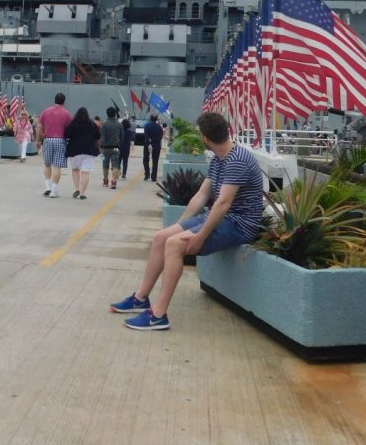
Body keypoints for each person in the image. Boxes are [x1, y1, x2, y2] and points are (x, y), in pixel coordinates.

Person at [110, 112, 265, 330]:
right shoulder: (219, 158)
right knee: (161, 237)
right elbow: (202, 196)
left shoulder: (237, 160)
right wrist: (177, 226)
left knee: (175, 245)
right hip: (222, 218)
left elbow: (223, 204)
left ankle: (158, 315)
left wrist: (199, 237)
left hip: (238, 224)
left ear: (206, 138)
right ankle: (140, 297)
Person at [36, 92, 71, 198]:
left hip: (48, 140)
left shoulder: (45, 111)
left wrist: (38, 140)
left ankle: (47, 187)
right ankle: (54, 190)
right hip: (60, 140)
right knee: (57, 166)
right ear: (64, 102)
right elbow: (70, 130)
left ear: (54, 100)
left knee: (47, 164)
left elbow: (39, 127)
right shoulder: (67, 114)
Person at [64, 107, 100, 200]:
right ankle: (82, 193)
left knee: (75, 170)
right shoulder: (92, 123)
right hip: (89, 150)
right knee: (85, 172)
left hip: (75, 150)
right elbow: (98, 135)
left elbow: (66, 134)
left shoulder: (73, 123)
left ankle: (77, 189)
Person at [99, 107, 123, 189]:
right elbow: (122, 137)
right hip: (116, 148)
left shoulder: (104, 124)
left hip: (105, 148)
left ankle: (106, 180)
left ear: (107, 114)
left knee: (105, 165)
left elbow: (102, 137)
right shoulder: (119, 124)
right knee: (115, 165)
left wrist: (100, 147)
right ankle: (113, 182)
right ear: (115, 114)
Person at [142, 114, 163, 182]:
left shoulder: (146, 126)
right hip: (156, 145)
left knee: (146, 159)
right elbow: (160, 137)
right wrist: (154, 141)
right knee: (155, 161)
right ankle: (154, 177)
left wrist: (149, 143)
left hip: (147, 145)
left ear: (150, 118)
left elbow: (146, 135)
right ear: (156, 119)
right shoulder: (159, 127)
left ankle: (147, 174)